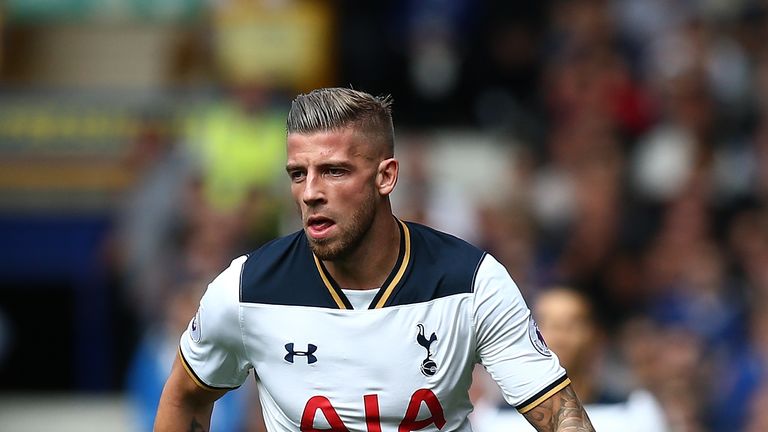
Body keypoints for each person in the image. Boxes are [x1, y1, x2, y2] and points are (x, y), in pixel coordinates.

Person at [155, 87, 595, 431]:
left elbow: (560, 417)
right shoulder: (246, 290)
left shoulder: (471, 282)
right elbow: (186, 395)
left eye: (334, 171)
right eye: (297, 174)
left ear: (386, 176)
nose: (310, 192)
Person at [472, 286, 668, 432]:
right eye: (546, 323)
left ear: (597, 335)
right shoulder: (491, 417)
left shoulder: (635, 410)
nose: (559, 335)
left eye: (572, 323)